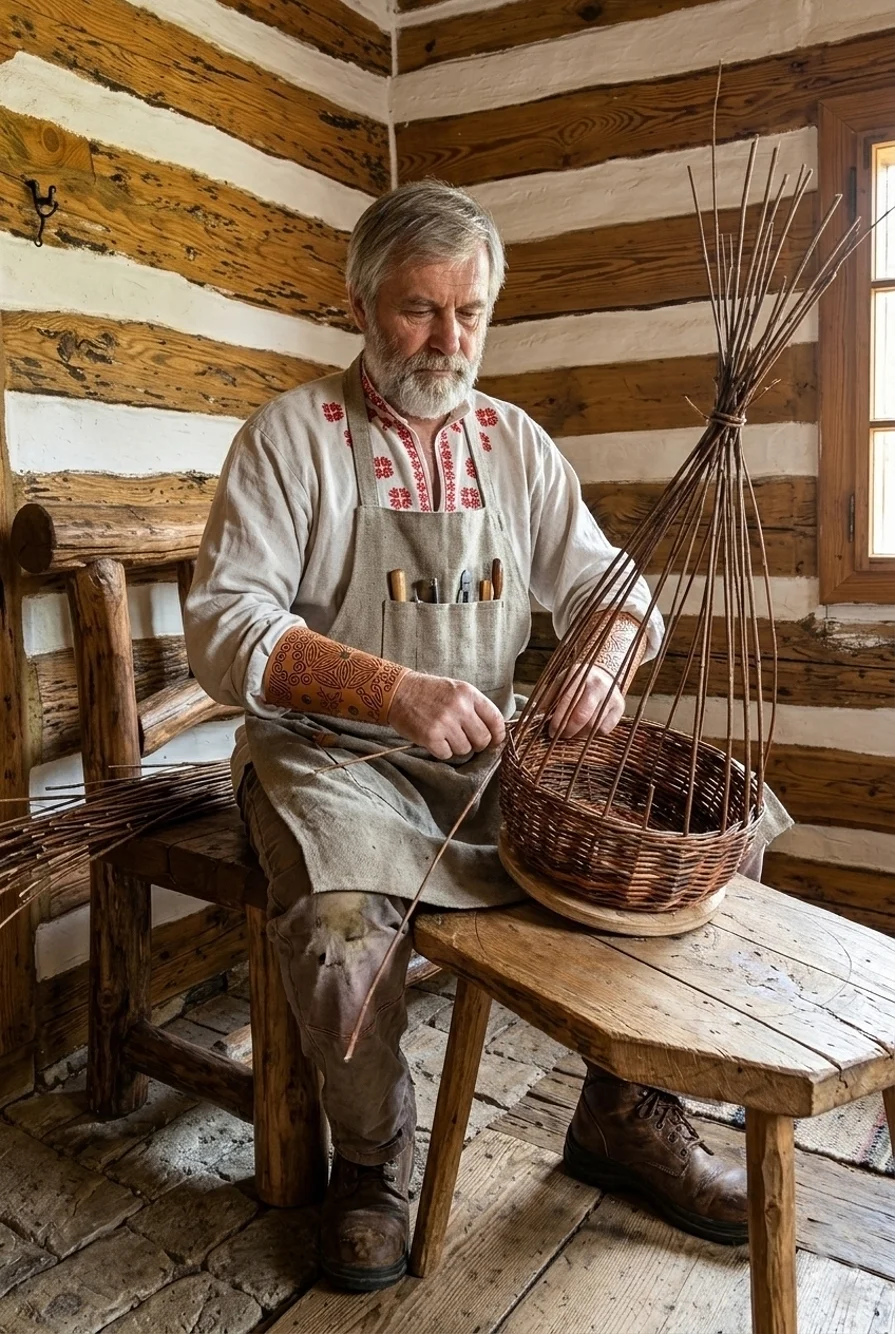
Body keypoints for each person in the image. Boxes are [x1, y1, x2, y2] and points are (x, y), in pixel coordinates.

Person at [184, 181, 786, 1292]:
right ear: (361, 303)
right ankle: (370, 1160)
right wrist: (394, 688)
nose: (448, 339)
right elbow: (225, 626)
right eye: (419, 309)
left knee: (715, 839)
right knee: (338, 926)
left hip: (486, 753)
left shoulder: (514, 443)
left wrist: (598, 661)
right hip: (331, 761)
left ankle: (622, 1109)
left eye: (470, 313)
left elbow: (613, 586)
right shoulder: (290, 438)